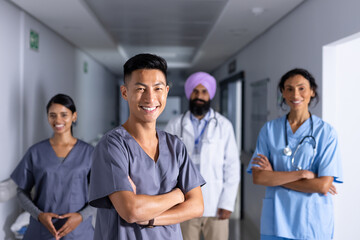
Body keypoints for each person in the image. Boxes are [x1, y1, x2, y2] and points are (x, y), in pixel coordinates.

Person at [88, 53, 205, 240]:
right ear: (125, 92)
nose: (150, 98)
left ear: (166, 91)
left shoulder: (175, 146)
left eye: (157, 88)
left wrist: (151, 219)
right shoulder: (111, 146)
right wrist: (176, 196)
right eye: (141, 89)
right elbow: (132, 211)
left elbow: (197, 206)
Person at [247, 68, 343, 240]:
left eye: (301, 88)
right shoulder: (269, 130)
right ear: (283, 93)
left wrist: (274, 177)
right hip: (276, 220)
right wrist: (302, 175)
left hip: (312, 223)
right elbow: (259, 178)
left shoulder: (326, 133)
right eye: (289, 88)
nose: (295, 94)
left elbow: (322, 186)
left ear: (312, 92)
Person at [165, 72, 240, 240]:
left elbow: (232, 167)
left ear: (210, 95)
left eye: (204, 92)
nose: (199, 96)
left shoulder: (224, 126)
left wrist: (227, 203)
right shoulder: (175, 124)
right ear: (189, 94)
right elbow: (166, 164)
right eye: (195, 91)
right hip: (184, 202)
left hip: (216, 204)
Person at [11, 94, 95, 240]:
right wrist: (39, 215)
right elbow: (21, 191)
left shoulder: (89, 153)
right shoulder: (36, 152)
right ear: (48, 117)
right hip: (41, 231)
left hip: (78, 233)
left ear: (74, 116)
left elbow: (104, 193)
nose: (58, 120)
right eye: (52, 115)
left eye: (64, 115)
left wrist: (81, 216)